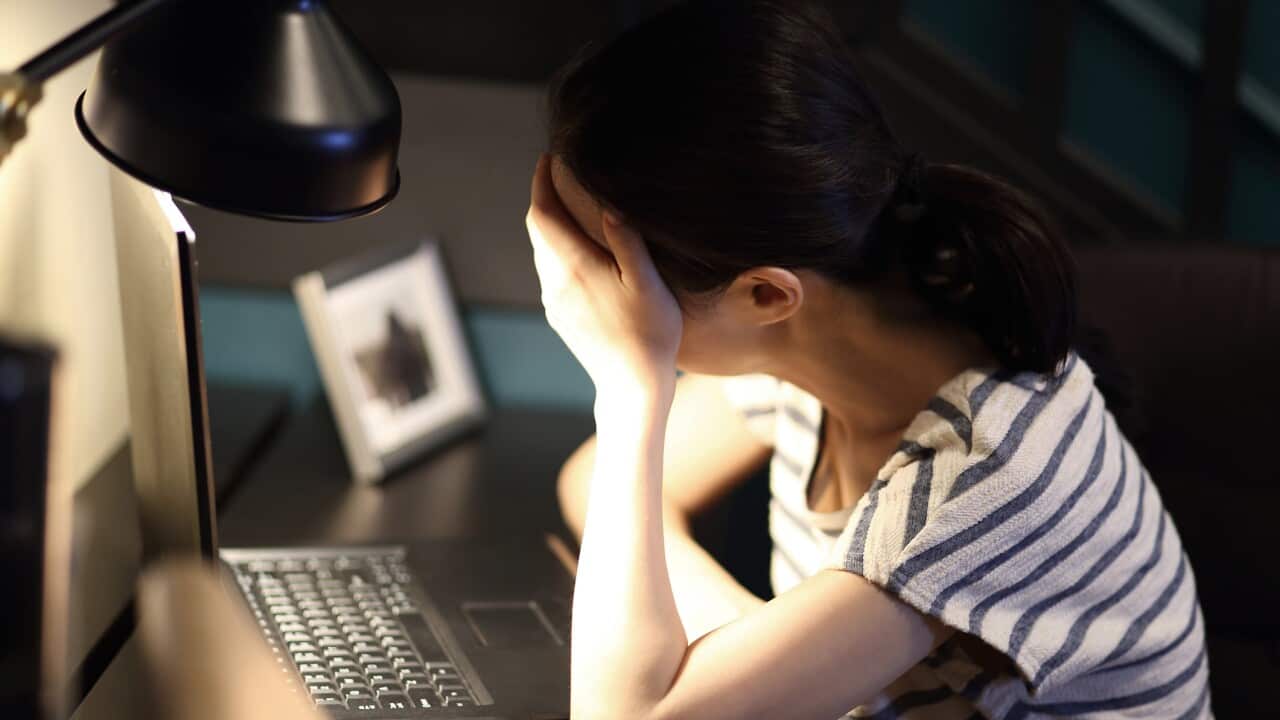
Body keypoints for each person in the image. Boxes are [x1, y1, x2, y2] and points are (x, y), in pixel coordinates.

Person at [528, 2, 1210, 718]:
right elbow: (586, 480)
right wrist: (748, 653)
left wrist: (630, 386)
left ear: (764, 294)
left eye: (606, 272)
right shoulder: (834, 335)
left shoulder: (982, 474)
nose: (584, 296)